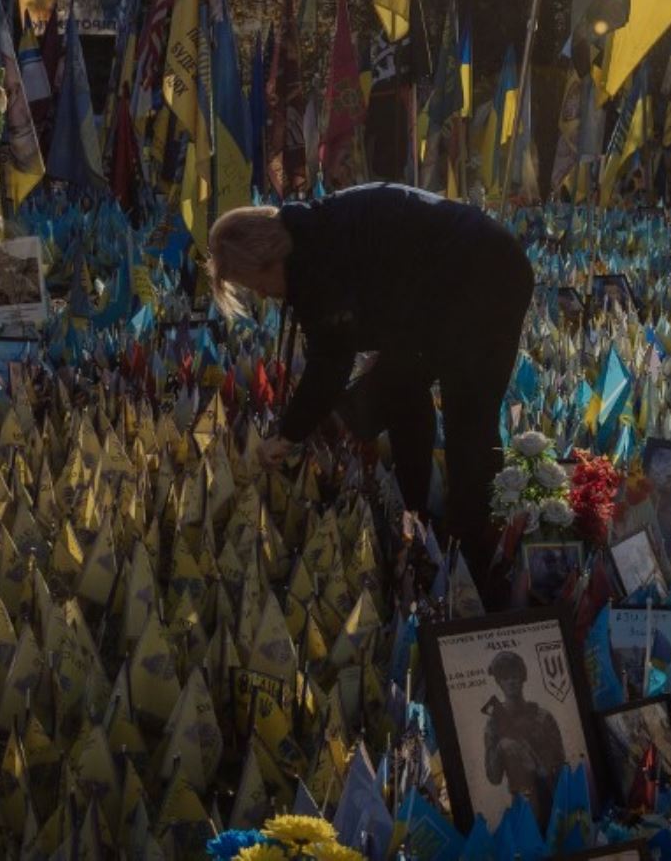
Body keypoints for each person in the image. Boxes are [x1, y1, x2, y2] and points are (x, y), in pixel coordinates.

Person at [208, 183, 534, 594]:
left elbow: (330, 361)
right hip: (447, 287)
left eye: (256, 284)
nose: (263, 296)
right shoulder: (313, 230)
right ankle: (419, 511)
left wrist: (288, 436)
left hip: (486, 280)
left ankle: (473, 559)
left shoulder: (315, 262)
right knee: (399, 388)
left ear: (268, 259)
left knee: (468, 417)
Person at [481, 650, 564, 819]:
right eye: (505, 677)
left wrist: (540, 767)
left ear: (522, 678)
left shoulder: (543, 718)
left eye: (514, 676)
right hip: (522, 804)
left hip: (551, 796)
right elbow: (494, 777)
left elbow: (561, 763)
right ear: (499, 683)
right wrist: (501, 747)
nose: (510, 682)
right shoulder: (495, 724)